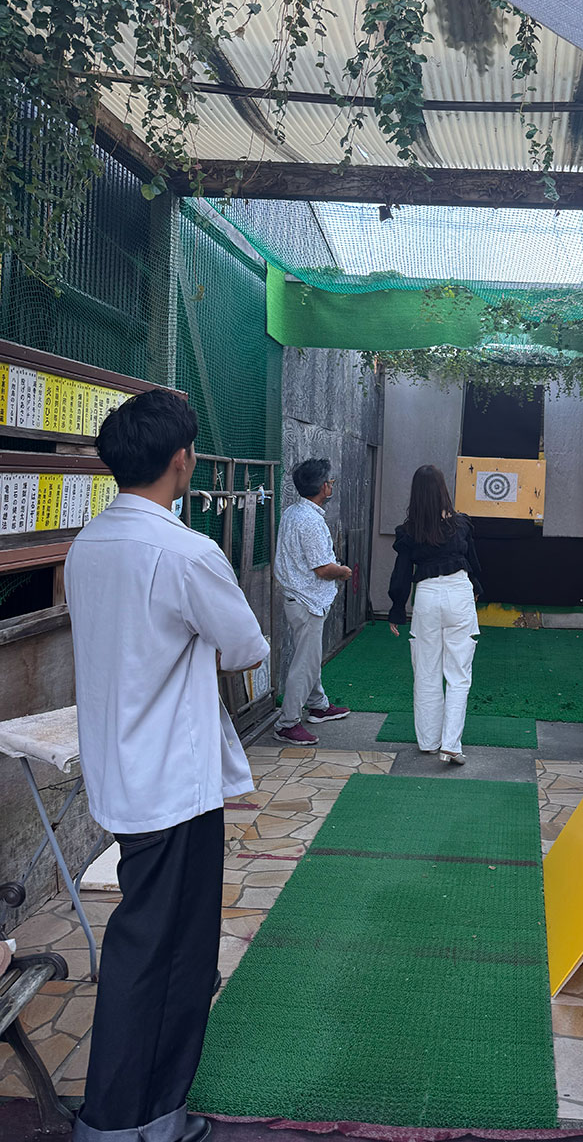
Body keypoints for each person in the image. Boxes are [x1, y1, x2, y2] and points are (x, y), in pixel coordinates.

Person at [65, 389, 269, 1142]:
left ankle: (148, 1111)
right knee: (169, 954)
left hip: (121, 773)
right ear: (181, 461)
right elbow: (247, 646)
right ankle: (128, 1119)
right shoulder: (184, 550)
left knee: (152, 943)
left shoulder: (91, 542)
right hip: (175, 785)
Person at [388, 465, 482, 764]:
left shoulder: (409, 531)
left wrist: (396, 609)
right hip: (459, 594)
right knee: (458, 675)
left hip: (426, 598)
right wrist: (476, 589)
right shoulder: (462, 525)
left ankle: (429, 741)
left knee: (426, 672)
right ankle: (451, 744)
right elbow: (474, 563)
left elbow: (402, 572)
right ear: (443, 490)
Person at [272, 458, 353, 746]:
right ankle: (287, 723)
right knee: (305, 663)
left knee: (310, 656)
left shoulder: (294, 512)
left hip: (300, 598)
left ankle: (318, 705)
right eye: (330, 481)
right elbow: (323, 569)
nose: (332, 484)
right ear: (322, 487)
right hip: (307, 601)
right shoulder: (310, 520)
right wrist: (343, 571)